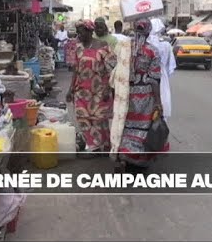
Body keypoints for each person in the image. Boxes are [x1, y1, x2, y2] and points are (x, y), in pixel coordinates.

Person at [117, 18, 165, 172]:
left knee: (125, 127)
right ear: (149, 31)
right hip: (145, 97)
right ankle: (138, 162)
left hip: (126, 96)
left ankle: (124, 157)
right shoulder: (152, 51)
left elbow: (113, 69)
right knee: (143, 128)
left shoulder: (123, 48)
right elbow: (154, 79)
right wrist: (158, 102)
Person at [66, 20, 117, 153]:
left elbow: (112, 69)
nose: (79, 35)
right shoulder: (78, 48)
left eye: (81, 32)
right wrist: (70, 89)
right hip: (81, 90)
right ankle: (92, 145)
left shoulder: (102, 46)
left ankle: (105, 145)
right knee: (82, 117)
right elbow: (76, 70)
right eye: (77, 32)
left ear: (89, 31)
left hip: (99, 90)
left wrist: (108, 89)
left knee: (100, 119)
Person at [148, 18, 176, 120]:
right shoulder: (166, 45)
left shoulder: (145, 43)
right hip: (162, 74)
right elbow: (170, 65)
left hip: (147, 74)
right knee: (162, 96)